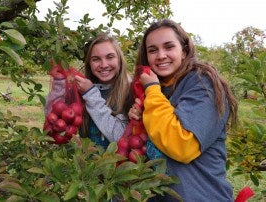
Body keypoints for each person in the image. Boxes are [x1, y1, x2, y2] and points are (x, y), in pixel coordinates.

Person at [128, 19, 238, 201]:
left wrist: (152, 92)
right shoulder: (160, 88)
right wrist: (141, 118)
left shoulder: (203, 83)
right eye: (153, 50)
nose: (161, 55)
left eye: (169, 47)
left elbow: (182, 145)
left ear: (184, 50)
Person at [74, 33, 131, 150]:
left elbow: (121, 138)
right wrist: (61, 86)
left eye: (110, 57)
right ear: (89, 64)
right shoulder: (82, 89)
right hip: (88, 166)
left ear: (119, 59)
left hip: (121, 167)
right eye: (96, 59)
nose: (104, 65)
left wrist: (90, 95)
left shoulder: (131, 92)